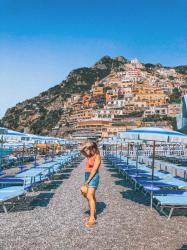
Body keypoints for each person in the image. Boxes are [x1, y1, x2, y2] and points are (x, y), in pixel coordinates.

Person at [80, 141, 101, 227]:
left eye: (90, 149)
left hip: (93, 176)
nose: (88, 150)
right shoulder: (89, 156)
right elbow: (81, 151)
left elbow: (94, 170)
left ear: (94, 149)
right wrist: (86, 145)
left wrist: (88, 181)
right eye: (88, 149)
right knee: (90, 196)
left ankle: (92, 218)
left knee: (89, 196)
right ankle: (93, 213)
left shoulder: (97, 156)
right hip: (87, 175)